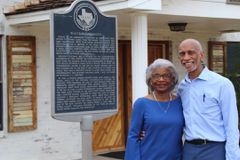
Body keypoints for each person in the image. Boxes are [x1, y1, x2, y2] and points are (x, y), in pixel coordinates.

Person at [178, 38, 240, 160]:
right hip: (189, 150)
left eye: (191, 52)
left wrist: (233, 157)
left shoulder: (222, 84)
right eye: (182, 53)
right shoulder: (182, 87)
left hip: (214, 149)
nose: (186, 57)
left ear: (201, 55)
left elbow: (231, 124)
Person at [124, 58, 184, 160]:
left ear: (173, 79)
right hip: (148, 156)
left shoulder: (180, 102)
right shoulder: (141, 103)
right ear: (150, 80)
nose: (161, 79)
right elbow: (133, 136)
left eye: (166, 75)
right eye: (156, 76)